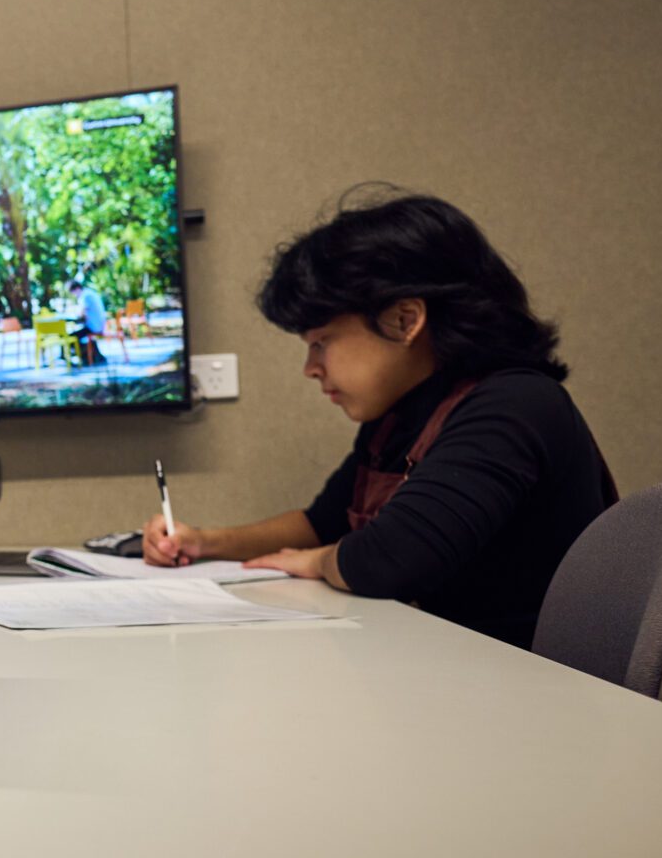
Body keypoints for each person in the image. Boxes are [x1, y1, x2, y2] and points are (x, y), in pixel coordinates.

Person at [143, 190, 615, 649]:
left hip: (529, 689)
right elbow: (324, 522)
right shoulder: (401, 413)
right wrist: (204, 541)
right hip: (442, 669)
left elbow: (388, 560)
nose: (311, 368)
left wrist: (318, 561)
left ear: (404, 320)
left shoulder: (514, 405)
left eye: (322, 341)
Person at [70, 277, 109, 366]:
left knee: (73, 337)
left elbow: (81, 313)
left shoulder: (85, 296)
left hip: (94, 326)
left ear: (76, 289)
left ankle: (86, 358)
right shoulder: (89, 293)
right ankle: (92, 356)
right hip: (98, 324)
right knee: (79, 334)